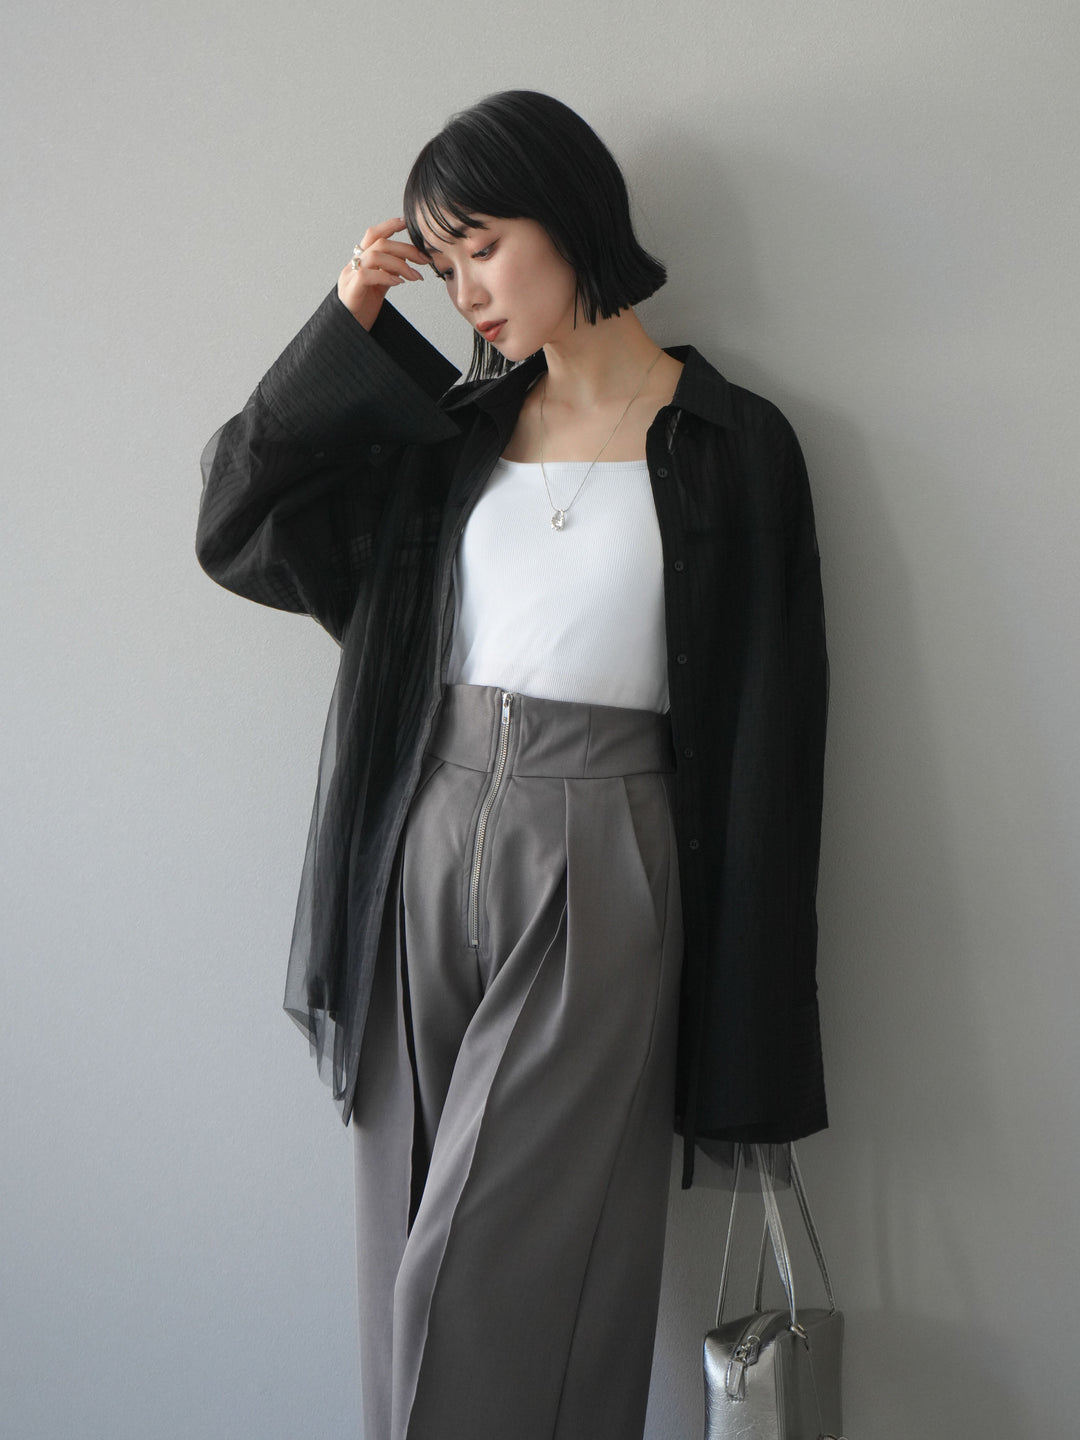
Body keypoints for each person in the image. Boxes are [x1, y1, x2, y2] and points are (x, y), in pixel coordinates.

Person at [197, 90, 829, 1440]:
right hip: (420, 838)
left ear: (572, 214)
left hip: (605, 857)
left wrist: (756, 1014)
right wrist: (349, 324)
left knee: (485, 1274)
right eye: (443, 261)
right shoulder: (452, 441)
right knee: (402, 1254)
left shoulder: (732, 445)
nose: (467, 290)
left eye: (482, 246)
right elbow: (238, 519)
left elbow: (776, 736)